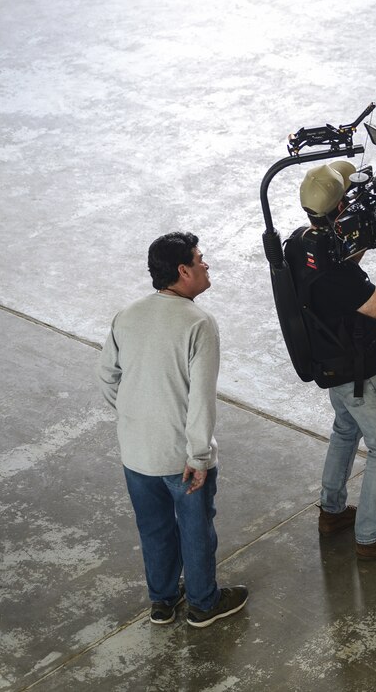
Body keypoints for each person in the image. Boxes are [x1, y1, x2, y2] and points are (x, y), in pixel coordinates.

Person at [98, 232, 248, 628]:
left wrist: (136, 414)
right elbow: (201, 399)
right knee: (196, 530)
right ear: (183, 270)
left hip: (135, 452)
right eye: (201, 259)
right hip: (180, 457)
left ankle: (162, 601)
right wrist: (199, 456)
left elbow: (107, 377)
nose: (206, 264)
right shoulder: (198, 323)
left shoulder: (126, 315)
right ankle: (202, 603)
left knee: (154, 529)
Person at [284, 161, 376, 561]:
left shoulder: (299, 243)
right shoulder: (337, 275)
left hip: (328, 361)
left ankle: (331, 512)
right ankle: (370, 536)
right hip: (357, 370)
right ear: (341, 205)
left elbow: (338, 269)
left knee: (346, 429)